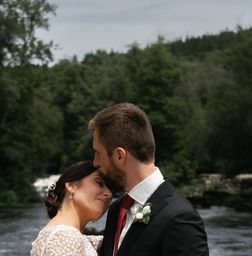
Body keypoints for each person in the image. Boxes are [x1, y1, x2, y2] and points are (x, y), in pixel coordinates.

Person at [89, 103, 209, 256]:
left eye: (98, 153)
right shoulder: (116, 209)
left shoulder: (180, 218)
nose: (95, 162)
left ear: (120, 155)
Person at [31, 161, 113, 256]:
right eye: (99, 183)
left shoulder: (63, 235)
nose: (109, 194)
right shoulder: (64, 238)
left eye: (112, 189)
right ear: (71, 186)